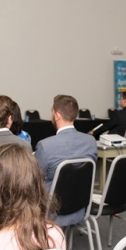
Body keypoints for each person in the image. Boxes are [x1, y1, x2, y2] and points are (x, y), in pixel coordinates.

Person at [34, 95, 98, 226]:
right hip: (80, 206)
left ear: (57, 115)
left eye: (52, 112)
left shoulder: (45, 146)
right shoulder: (90, 141)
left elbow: (35, 178)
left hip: (52, 211)